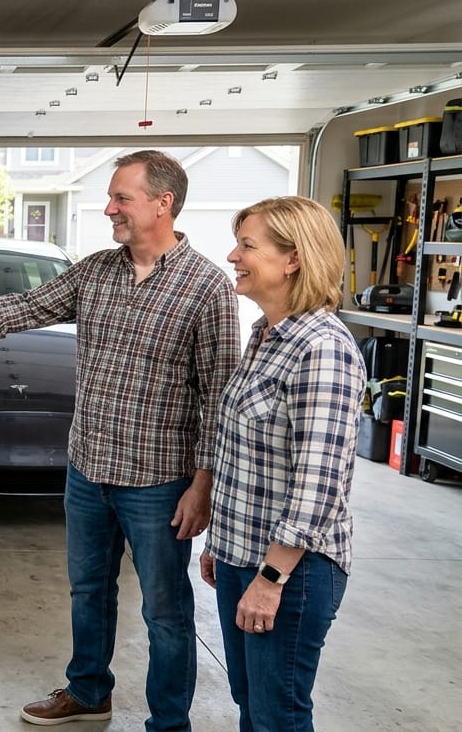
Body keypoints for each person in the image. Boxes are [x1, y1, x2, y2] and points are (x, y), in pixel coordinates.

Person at [0, 150, 241, 730]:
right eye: (111, 198)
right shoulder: (97, 270)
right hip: (87, 468)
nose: (110, 209)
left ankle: (169, 722)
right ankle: (88, 691)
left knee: (165, 612)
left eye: (122, 199)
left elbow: (219, 397)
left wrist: (202, 486)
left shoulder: (207, 288)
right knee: (88, 591)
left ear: (164, 203)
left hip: (158, 480)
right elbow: (27, 306)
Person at [200, 196, 364, 731]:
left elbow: (318, 484)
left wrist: (270, 577)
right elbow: (245, 454)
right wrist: (222, 548)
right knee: (253, 702)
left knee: (278, 716)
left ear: (293, 259)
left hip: (291, 570)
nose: (233, 255)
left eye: (248, 246)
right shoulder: (265, 336)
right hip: (243, 554)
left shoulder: (322, 349)